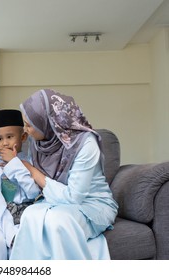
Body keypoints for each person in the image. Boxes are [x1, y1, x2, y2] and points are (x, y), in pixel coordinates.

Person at [9, 89, 118, 260]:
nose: (25, 130)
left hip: (91, 204)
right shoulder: (39, 143)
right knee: (30, 216)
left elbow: (74, 197)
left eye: (29, 125)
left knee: (57, 222)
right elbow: (36, 190)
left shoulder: (86, 144)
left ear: (48, 122)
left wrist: (32, 171)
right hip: (55, 202)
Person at [0, 109, 41, 260]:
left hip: (28, 215)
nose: (5, 142)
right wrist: (10, 233)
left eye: (10, 137)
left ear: (23, 137)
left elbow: (33, 193)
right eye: (0, 139)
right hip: (2, 220)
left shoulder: (31, 164)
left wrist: (14, 164)